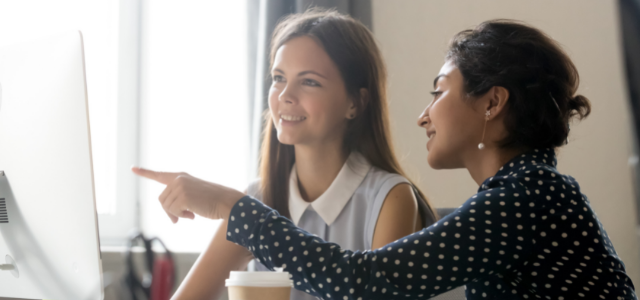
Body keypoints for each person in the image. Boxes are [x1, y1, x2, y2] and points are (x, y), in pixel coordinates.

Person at [136, 19, 638, 299]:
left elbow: (366, 281)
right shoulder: (521, 195)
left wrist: (232, 207)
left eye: (439, 92)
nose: (424, 115)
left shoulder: (530, 197)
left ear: (491, 103)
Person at [132, 9, 437, 300]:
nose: (285, 96)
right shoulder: (256, 198)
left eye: (309, 82)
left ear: (354, 103)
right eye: (279, 78)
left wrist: (229, 205)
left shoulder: (390, 199)